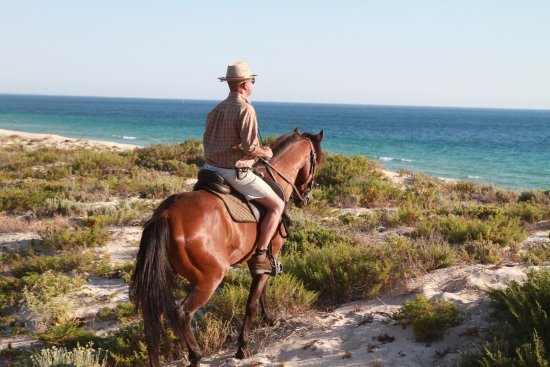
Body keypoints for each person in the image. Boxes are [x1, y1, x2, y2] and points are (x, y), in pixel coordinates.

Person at [202, 61, 285, 275]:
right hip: (234, 173)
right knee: (277, 206)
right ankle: (261, 255)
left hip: (210, 170)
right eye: (252, 81)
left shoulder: (216, 109)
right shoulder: (245, 109)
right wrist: (266, 152)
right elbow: (250, 147)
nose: (252, 84)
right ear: (244, 85)